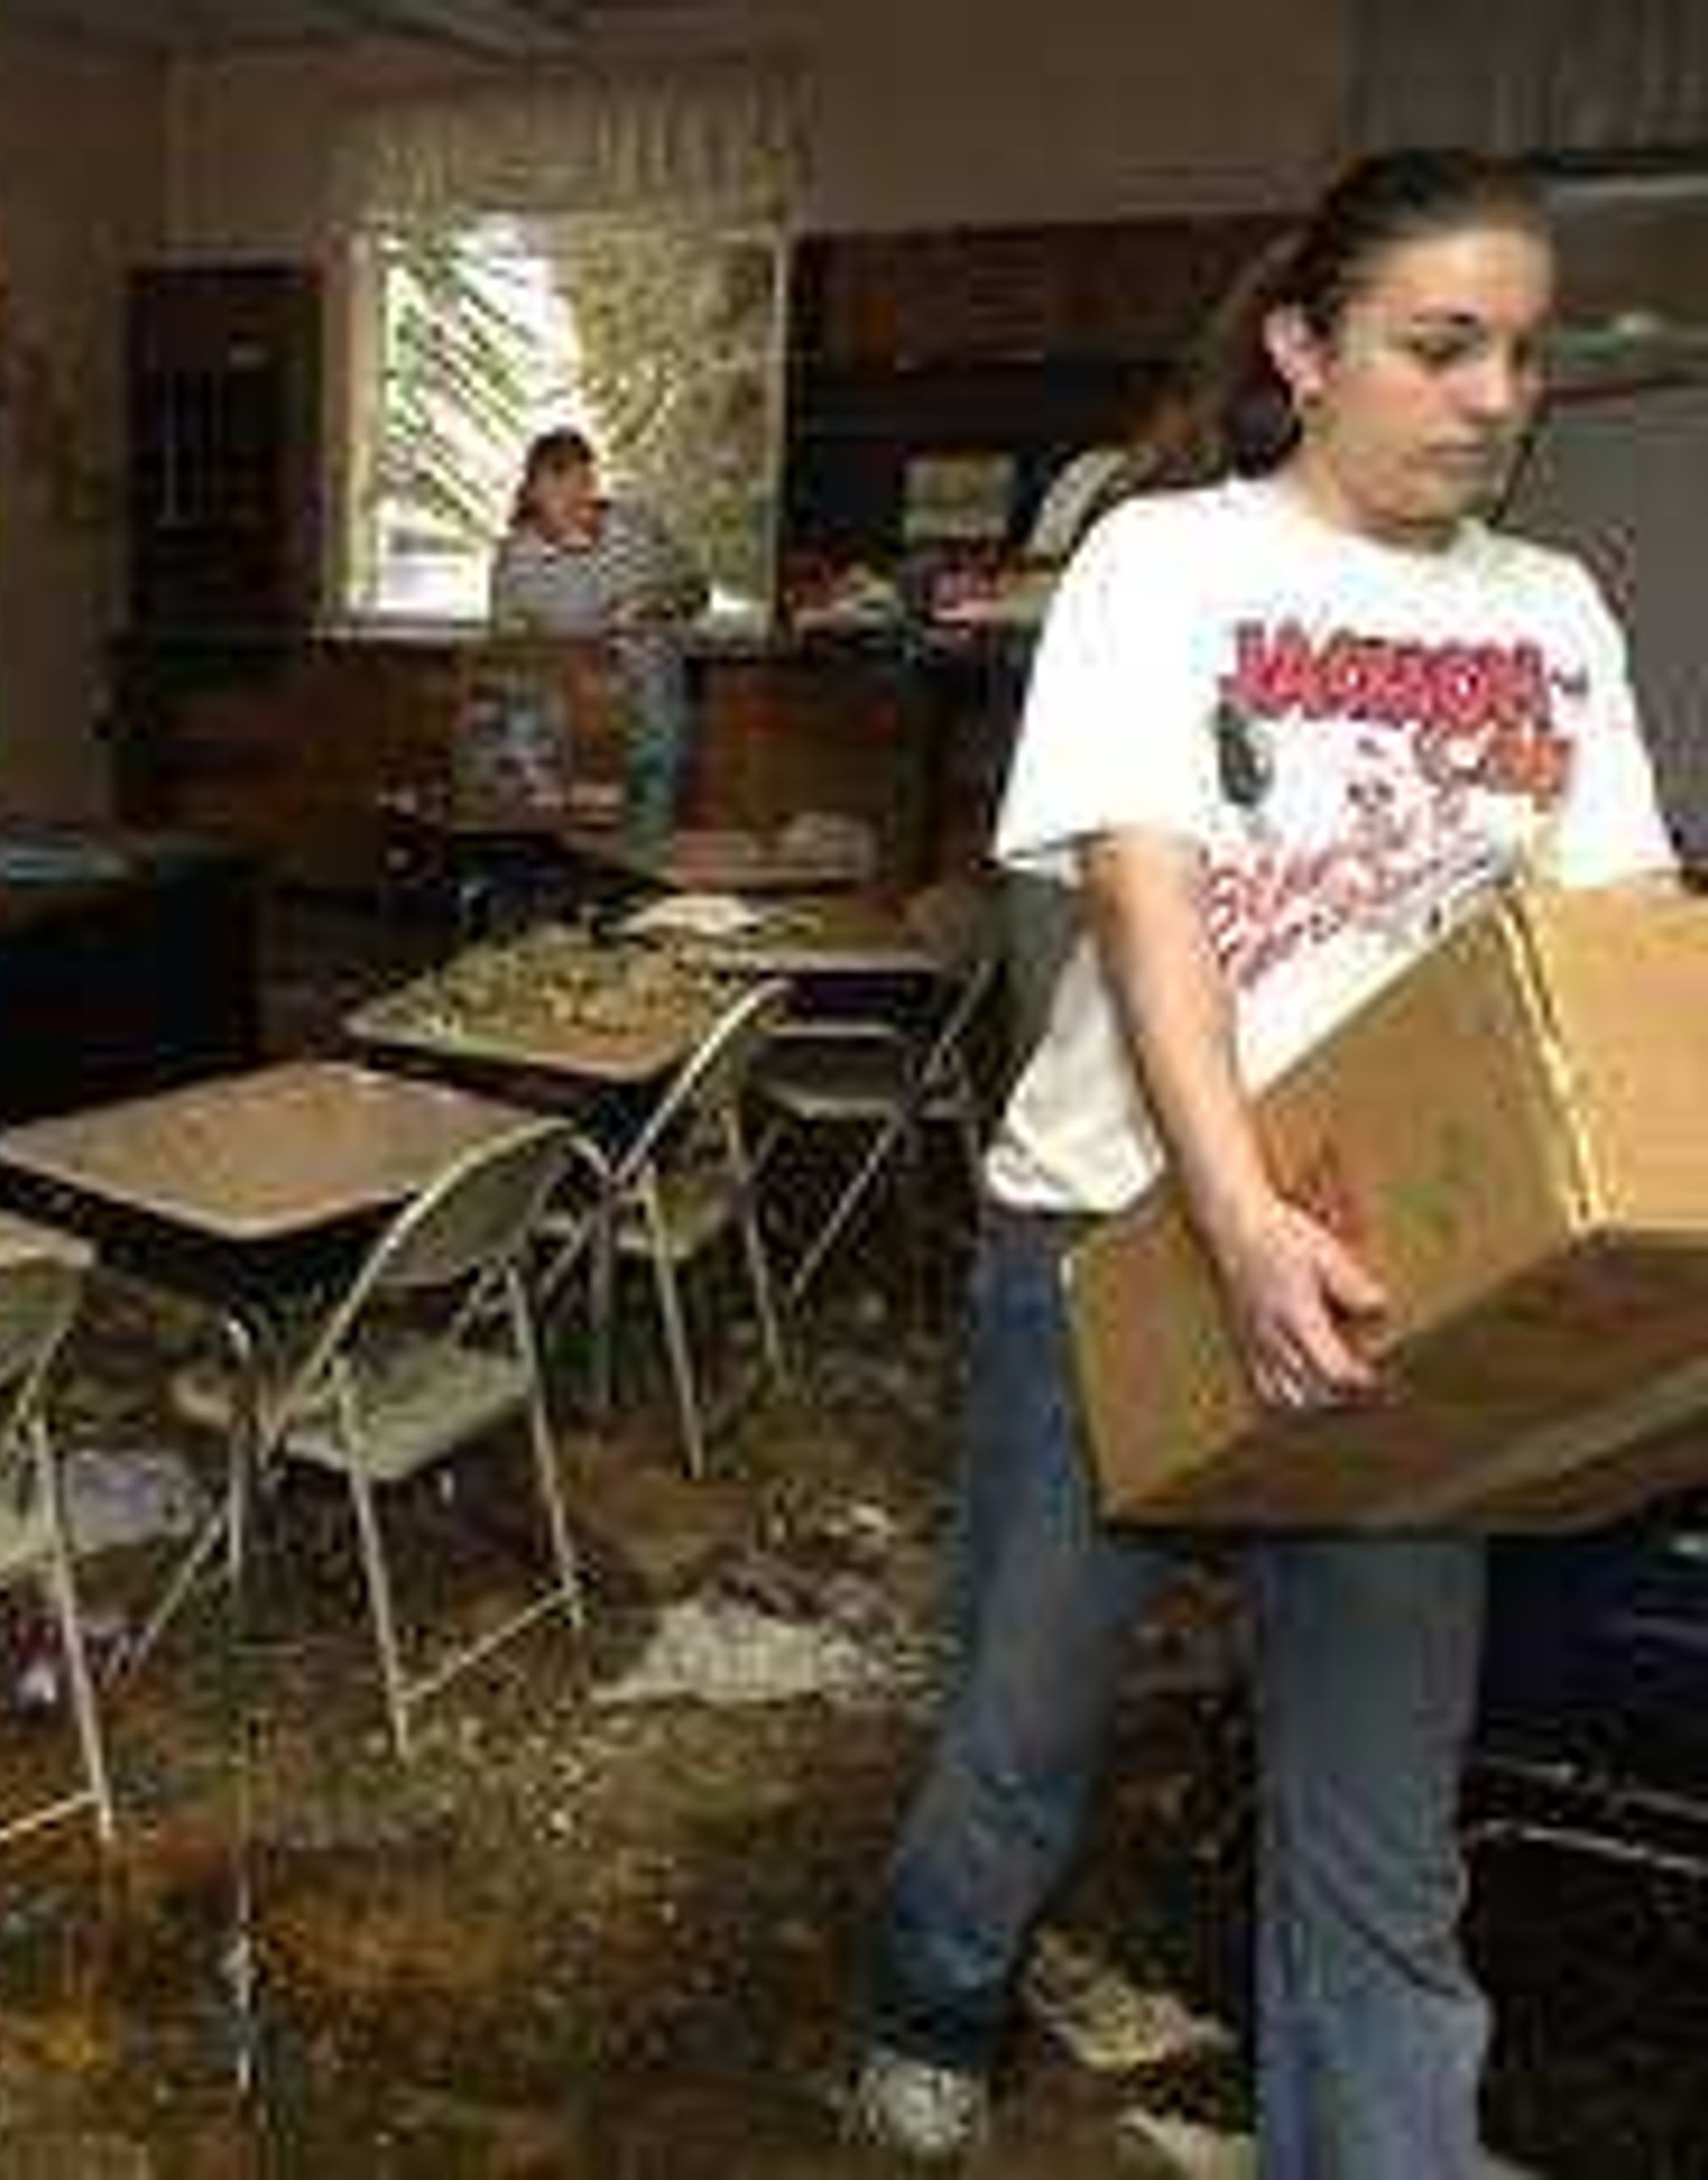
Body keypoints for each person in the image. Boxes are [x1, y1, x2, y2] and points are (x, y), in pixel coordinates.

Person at [852, 150, 1680, 2175]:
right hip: (1125, 1236)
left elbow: (1619, 941)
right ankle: (930, 1986)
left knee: (1380, 1813)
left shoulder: (1550, 610)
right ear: (1304, 353)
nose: (1493, 395)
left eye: (1521, 354)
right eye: (1437, 345)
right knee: (1024, 1726)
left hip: (1411, 1274)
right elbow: (1151, 914)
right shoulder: (1166, 564)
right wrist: (1231, 1221)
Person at [482, 428, 709, 845]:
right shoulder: (515, 560)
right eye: (558, 486)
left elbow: (697, 591)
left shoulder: (638, 530)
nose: (574, 499)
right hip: (568, 717)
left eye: (583, 483)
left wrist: (652, 604)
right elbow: (508, 651)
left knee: (648, 828)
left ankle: (646, 864)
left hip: (649, 713)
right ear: (532, 490)